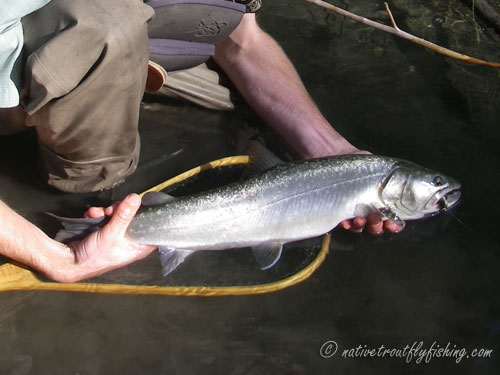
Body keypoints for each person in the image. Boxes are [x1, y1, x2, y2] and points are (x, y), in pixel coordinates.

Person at [0, 0, 400, 282]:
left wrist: (330, 151)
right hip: (39, 43)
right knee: (110, 29)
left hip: (125, 29)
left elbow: (243, 42)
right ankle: (83, 193)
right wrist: (57, 258)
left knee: (252, 104)